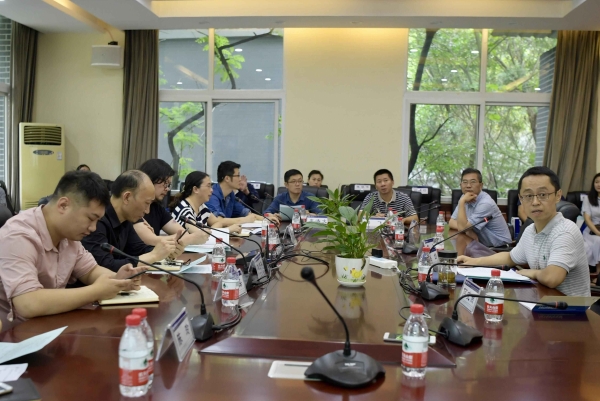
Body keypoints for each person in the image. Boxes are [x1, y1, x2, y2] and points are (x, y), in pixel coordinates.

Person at [0, 170, 147, 325]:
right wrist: (96, 291)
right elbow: (28, 304)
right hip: (15, 333)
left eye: (97, 221)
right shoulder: (18, 236)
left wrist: (119, 280)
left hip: (50, 325)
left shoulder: (69, 236)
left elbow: (91, 271)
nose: (93, 228)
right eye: (90, 218)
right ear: (63, 205)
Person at [458, 167, 590, 297]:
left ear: (558, 196)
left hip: (571, 308)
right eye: (528, 196)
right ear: (521, 199)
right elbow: (510, 258)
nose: (535, 202)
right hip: (541, 299)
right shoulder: (530, 230)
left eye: (543, 195)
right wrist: (474, 261)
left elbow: (552, 277)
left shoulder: (565, 231)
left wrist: (533, 273)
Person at [82, 170, 180, 272]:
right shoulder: (97, 220)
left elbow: (139, 249)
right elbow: (106, 266)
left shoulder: (125, 219)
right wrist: (154, 255)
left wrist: (166, 251)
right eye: (147, 203)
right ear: (127, 197)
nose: (147, 211)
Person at [134, 159, 209, 246]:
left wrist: (189, 238)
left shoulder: (157, 208)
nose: (167, 189)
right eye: (165, 184)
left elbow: (182, 233)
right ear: (149, 180)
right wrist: (191, 238)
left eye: (169, 185)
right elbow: (152, 240)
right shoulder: (134, 208)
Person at [448, 168, 511, 248]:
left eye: (473, 182)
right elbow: (451, 222)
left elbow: (462, 228)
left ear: (481, 185)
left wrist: (466, 228)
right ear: (461, 185)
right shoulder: (464, 197)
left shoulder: (486, 203)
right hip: (481, 245)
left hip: (499, 248)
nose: (468, 186)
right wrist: (469, 229)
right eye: (465, 182)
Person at [170, 171, 242, 233]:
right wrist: (228, 230)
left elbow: (218, 222)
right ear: (195, 189)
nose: (212, 190)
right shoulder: (185, 210)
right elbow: (199, 236)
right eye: (208, 186)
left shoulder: (201, 207)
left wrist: (209, 231)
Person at [582, 173, 600, 275]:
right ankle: (598, 273)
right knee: (599, 240)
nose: (599, 184)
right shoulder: (588, 199)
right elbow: (587, 219)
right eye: (596, 182)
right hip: (592, 231)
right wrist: (598, 233)